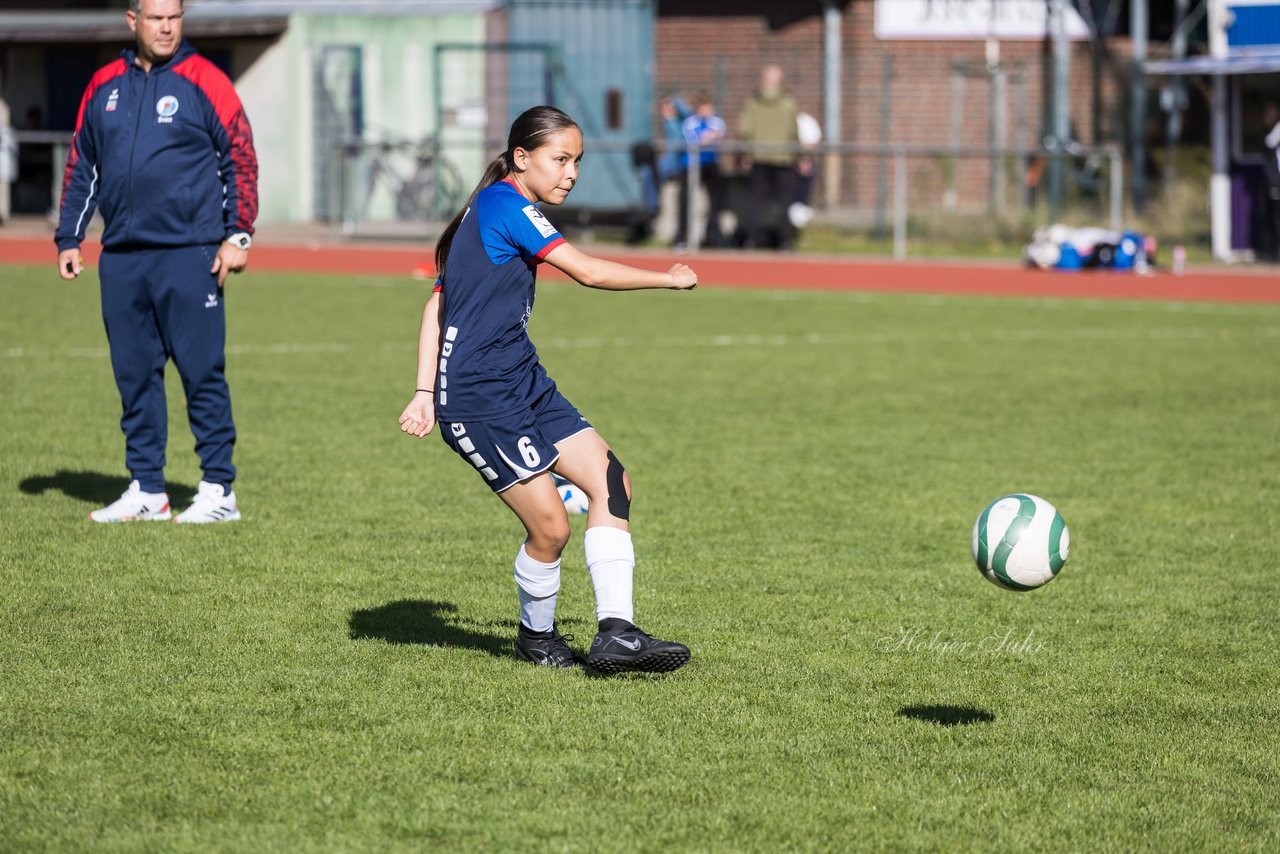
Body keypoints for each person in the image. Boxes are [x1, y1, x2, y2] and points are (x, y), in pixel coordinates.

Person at [398, 105, 697, 674]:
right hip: (478, 397)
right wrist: (668, 277)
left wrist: (419, 388)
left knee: (612, 480)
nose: (571, 172)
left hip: (523, 379)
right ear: (521, 158)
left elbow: (438, 303)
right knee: (552, 529)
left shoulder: (489, 207)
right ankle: (536, 638)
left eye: (577, 160)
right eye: (560, 158)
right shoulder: (505, 206)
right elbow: (586, 270)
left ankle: (616, 632)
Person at [54, 0, 258, 524]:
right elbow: (82, 165)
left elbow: (240, 156)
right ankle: (147, 488)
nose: (166, 27)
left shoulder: (206, 80)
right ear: (133, 21)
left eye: (174, 16)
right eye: (155, 17)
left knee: (201, 373)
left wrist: (238, 235)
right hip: (121, 258)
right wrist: (70, 237)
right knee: (134, 376)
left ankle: (218, 491)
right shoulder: (104, 86)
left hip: (190, 255)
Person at [738, 64, 800, 249]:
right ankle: (785, 241)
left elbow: (744, 129)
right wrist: (799, 155)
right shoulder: (789, 103)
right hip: (784, 158)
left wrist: (745, 153)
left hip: (759, 157)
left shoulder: (753, 103)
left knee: (754, 202)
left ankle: (751, 240)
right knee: (784, 202)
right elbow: (793, 131)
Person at [672, 93, 727, 251]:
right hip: (691, 165)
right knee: (685, 200)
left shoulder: (718, 122)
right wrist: (707, 138)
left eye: (708, 107)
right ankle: (681, 238)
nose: (706, 111)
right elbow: (695, 142)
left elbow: (718, 138)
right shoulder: (689, 123)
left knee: (716, 201)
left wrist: (707, 139)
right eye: (703, 108)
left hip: (711, 164)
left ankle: (712, 237)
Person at [1259, 103, 1280, 262]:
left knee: (1276, 217)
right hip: (1271, 181)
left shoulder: (1276, 133)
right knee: (1269, 216)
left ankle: (1276, 250)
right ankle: (1271, 249)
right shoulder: (1270, 133)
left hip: (1276, 182)